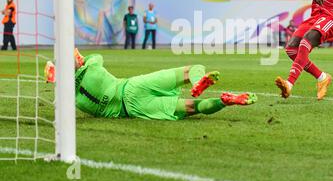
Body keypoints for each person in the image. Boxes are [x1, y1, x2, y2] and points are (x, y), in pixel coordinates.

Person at [44, 49, 256, 121]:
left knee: (192, 107)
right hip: (133, 87)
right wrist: (79, 59)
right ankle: (197, 80)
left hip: (132, 110)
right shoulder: (93, 66)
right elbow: (92, 56)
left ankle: (223, 101)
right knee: (191, 68)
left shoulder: (76, 100)